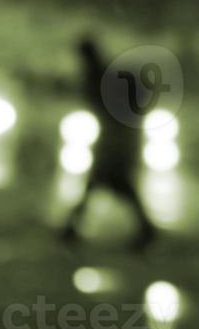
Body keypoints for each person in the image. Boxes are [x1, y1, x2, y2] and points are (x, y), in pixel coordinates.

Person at [61, 35, 158, 250]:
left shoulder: (101, 77)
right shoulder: (108, 74)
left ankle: (71, 228)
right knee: (112, 184)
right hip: (118, 136)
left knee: (104, 182)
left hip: (115, 138)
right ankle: (145, 229)